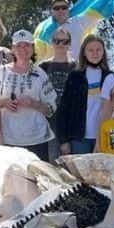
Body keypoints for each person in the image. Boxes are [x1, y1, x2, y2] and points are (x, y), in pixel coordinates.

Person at [0, 30, 58, 161]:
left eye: (27, 45)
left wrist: (34, 104)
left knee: (38, 179)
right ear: (12, 48)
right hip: (8, 138)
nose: (23, 49)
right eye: (19, 45)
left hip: (37, 139)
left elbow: (51, 108)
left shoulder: (40, 74)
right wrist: (4, 102)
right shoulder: (2, 71)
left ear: (33, 48)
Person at [34, 0, 114, 60]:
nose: (60, 10)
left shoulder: (78, 22)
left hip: (75, 70)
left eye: (64, 7)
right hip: (53, 71)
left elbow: (99, 8)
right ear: (51, 12)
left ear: (68, 9)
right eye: (56, 8)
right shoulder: (45, 30)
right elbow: (34, 52)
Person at [56, 35, 112, 155]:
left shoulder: (111, 76)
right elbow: (64, 110)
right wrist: (63, 141)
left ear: (103, 52)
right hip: (79, 138)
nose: (95, 53)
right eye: (90, 50)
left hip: (105, 136)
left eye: (98, 50)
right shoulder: (75, 76)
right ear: (84, 53)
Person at [38, 27, 76, 160]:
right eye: (57, 41)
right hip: (49, 125)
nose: (60, 44)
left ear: (69, 44)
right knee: (52, 166)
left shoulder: (76, 67)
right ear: (52, 43)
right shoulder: (43, 67)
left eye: (64, 42)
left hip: (71, 124)